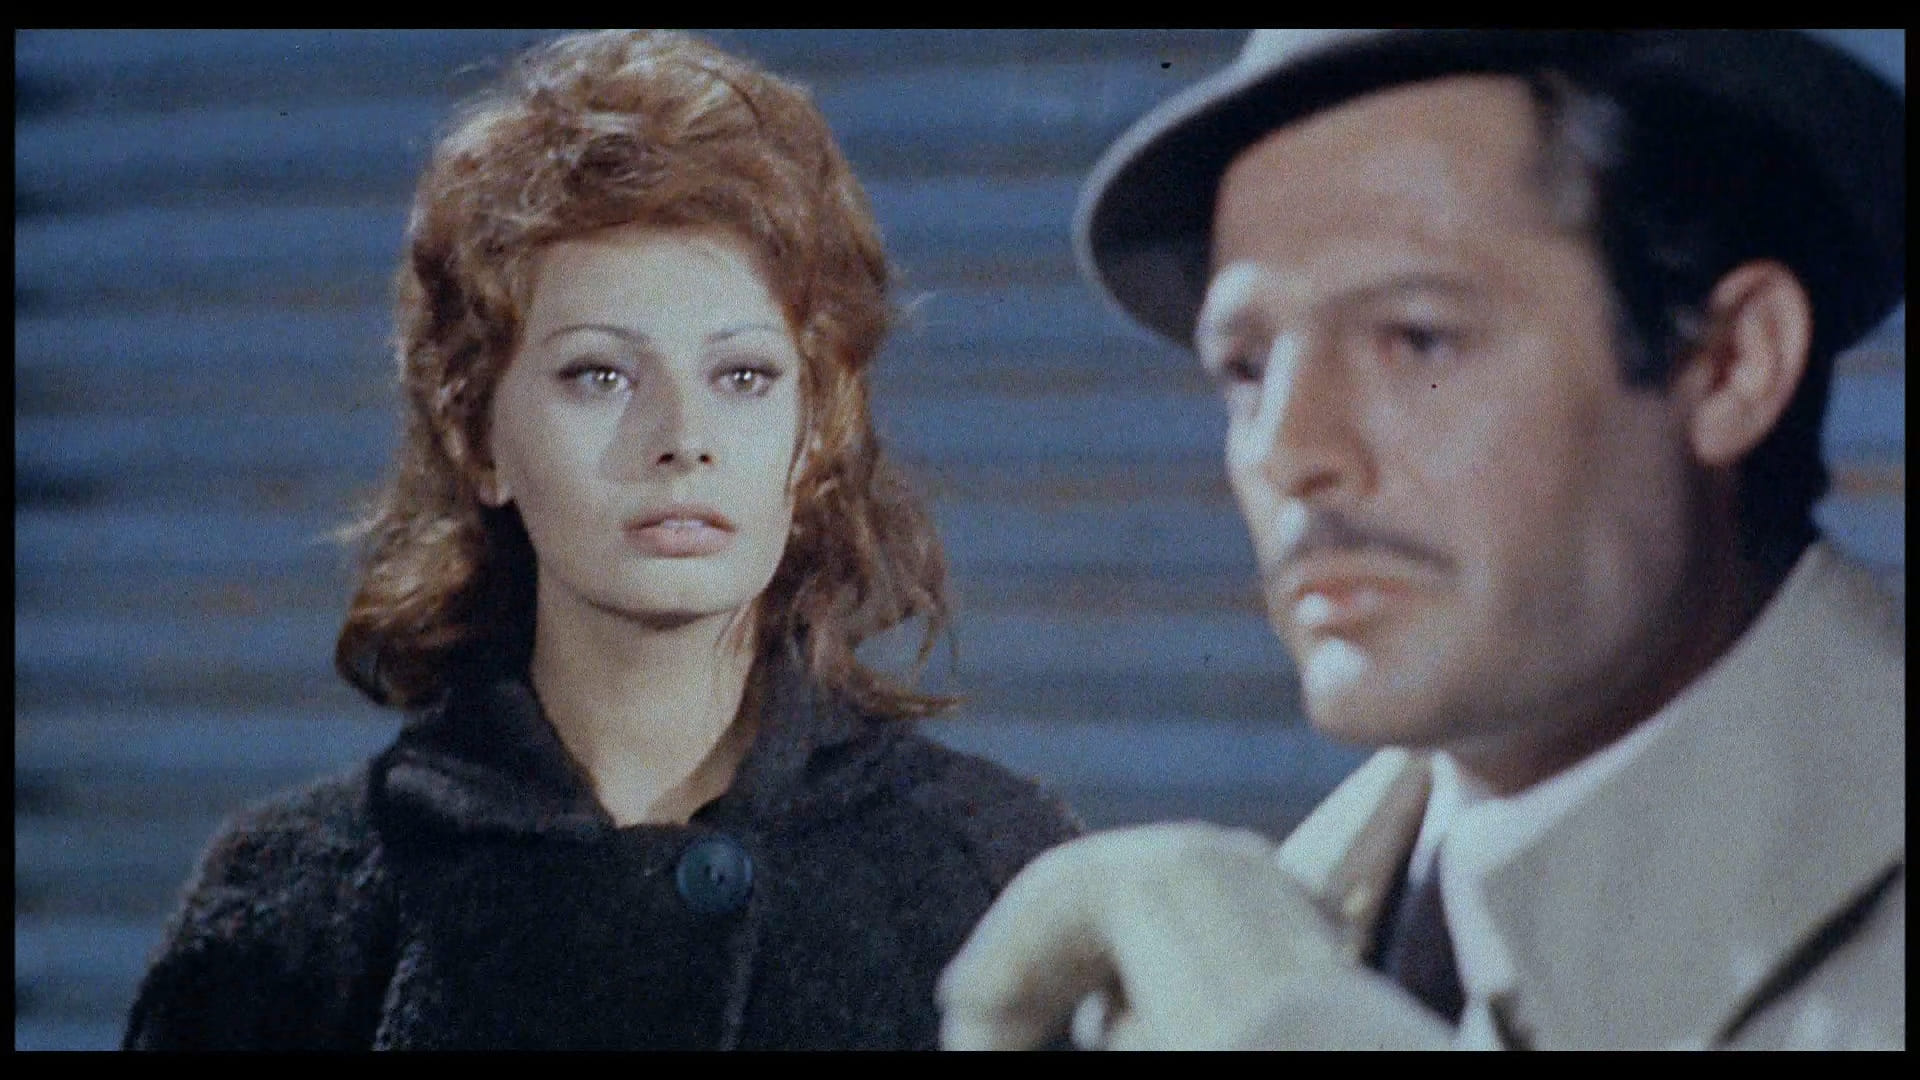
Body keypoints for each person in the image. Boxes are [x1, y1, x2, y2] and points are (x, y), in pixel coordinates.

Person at [938, 29, 1904, 1050]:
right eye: (1247, 368)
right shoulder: (1238, 948)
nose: (1290, 451)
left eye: (1417, 338)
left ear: (1731, 365)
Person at [123, 29, 1079, 1051]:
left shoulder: (999, 876)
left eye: (743, 376)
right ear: (476, 436)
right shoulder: (291, 911)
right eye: (600, 375)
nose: (682, 439)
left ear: (814, 435)